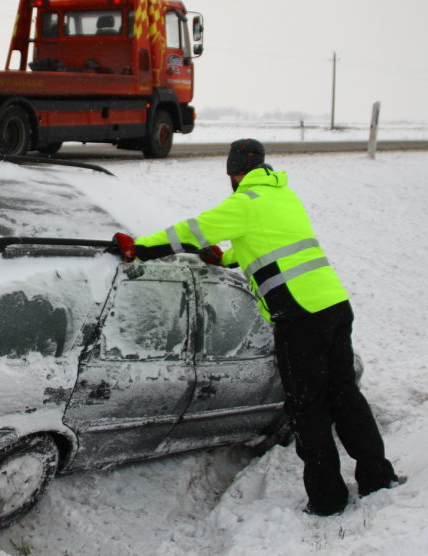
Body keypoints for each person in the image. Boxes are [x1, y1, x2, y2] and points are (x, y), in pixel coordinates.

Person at [111, 138, 401, 516]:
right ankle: (378, 478)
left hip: (300, 316)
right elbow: (274, 244)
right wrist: (228, 256)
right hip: (333, 304)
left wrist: (141, 247)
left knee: (307, 406)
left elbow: (191, 231)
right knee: (345, 394)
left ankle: (327, 499)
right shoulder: (284, 196)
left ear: (234, 173)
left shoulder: (242, 203)